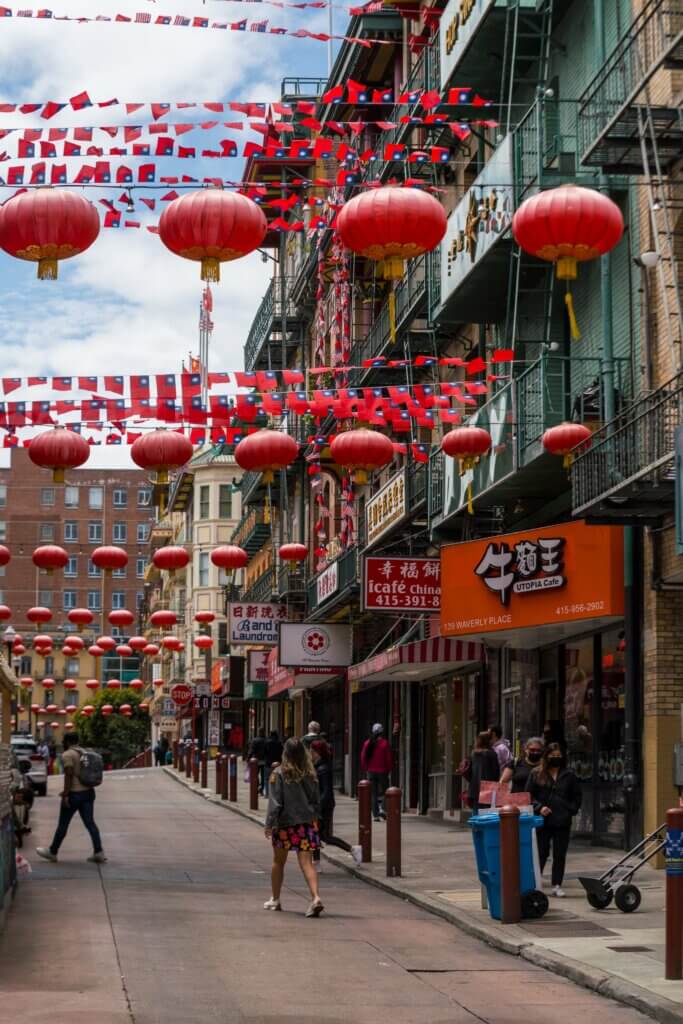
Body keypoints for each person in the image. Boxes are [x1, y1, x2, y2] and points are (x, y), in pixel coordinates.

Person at [264, 738, 324, 917]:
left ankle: (275, 899)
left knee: (278, 862)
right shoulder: (310, 773)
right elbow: (316, 800)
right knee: (307, 863)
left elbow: (275, 802)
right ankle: (315, 897)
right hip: (305, 824)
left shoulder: (279, 773)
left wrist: (269, 823)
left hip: (284, 824)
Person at [36, 731, 106, 864]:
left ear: (67, 742)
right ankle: (99, 852)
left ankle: (53, 851)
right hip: (88, 792)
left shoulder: (68, 754)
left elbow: (68, 774)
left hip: (74, 793)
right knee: (90, 823)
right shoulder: (85, 752)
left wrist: (66, 794)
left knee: (63, 824)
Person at [526, 741, 582, 898]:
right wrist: (539, 807)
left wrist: (570, 810)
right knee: (541, 852)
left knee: (560, 854)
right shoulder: (536, 773)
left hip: (562, 820)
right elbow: (528, 795)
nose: (556, 758)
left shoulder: (569, 775)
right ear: (546, 756)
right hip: (543, 820)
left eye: (559, 756)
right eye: (553, 756)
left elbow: (577, 796)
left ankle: (557, 884)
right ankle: (536, 883)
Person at [310, 739, 362, 866]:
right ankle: (352, 850)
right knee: (318, 834)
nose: (310, 752)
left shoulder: (323, 769)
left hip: (324, 807)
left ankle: (352, 849)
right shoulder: (319, 766)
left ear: (318, 752)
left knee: (319, 834)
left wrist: (318, 809)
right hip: (322, 805)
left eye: (312, 750)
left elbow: (326, 792)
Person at [360, 723, 393, 822]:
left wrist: (366, 768)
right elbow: (389, 758)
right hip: (382, 770)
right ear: (381, 732)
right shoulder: (384, 743)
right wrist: (390, 769)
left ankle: (375, 815)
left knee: (373, 793)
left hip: (371, 771)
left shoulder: (367, 743)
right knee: (386, 791)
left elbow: (363, 757)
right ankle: (383, 808)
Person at [468, 731, 500, 815]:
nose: (494, 740)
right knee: (487, 814)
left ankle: (475, 828)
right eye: (492, 739)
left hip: (475, 788)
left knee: (476, 812)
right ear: (489, 740)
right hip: (488, 788)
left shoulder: (474, 753)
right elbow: (495, 773)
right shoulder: (491, 754)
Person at [247, 730, 267, 794]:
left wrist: (248, 758)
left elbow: (251, 750)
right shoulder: (266, 740)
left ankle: (257, 786)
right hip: (264, 760)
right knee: (263, 775)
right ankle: (262, 788)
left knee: (255, 775)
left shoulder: (255, 740)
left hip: (256, 760)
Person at [264, 730, 283, 795]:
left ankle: (267, 793)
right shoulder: (279, 743)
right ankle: (275, 793)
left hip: (268, 763)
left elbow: (264, 752)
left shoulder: (267, 742)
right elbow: (281, 752)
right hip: (277, 763)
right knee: (276, 779)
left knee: (267, 779)